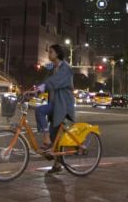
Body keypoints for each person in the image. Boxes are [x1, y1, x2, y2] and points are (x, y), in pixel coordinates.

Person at [34, 44, 75, 174]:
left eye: (51, 52)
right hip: (55, 104)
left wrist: (41, 88)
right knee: (55, 136)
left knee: (40, 110)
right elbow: (49, 83)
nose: (49, 54)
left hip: (62, 105)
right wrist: (36, 90)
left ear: (57, 53)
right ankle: (57, 164)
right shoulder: (55, 68)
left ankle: (46, 139)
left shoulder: (65, 68)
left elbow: (54, 82)